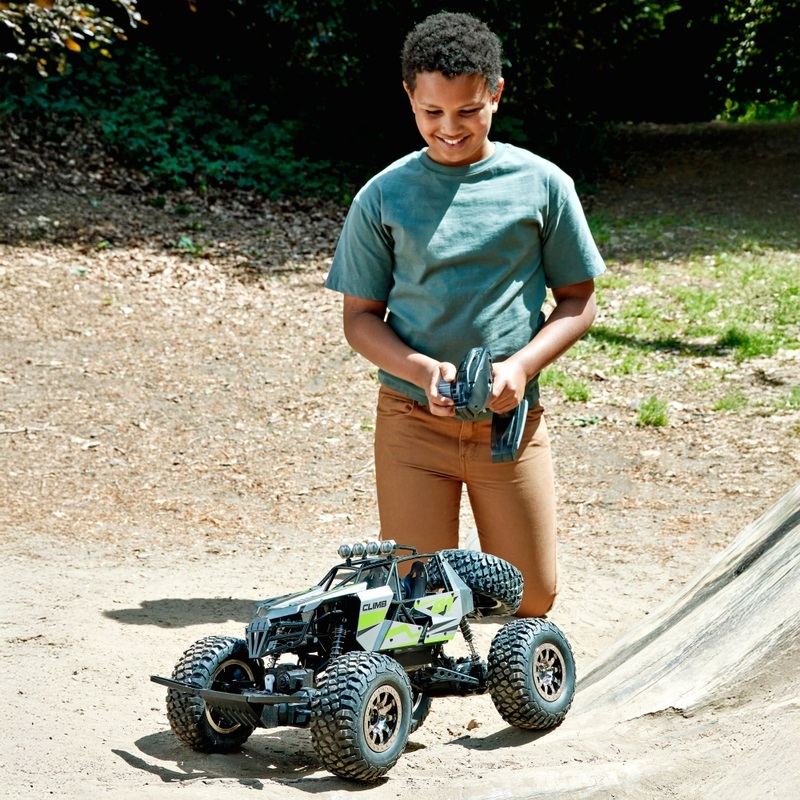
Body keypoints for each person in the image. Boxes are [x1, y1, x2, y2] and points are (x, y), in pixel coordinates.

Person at [324, 11, 606, 617]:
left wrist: (522, 367)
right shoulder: (381, 196)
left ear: (496, 94)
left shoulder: (543, 185)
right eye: (432, 112)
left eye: (469, 110)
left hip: (508, 424)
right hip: (411, 421)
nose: (449, 128)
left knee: (532, 597)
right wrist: (422, 370)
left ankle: (475, 610)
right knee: (413, 605)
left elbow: (577, 300)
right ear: (409, 97)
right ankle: (434, 630)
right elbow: (360, 318)